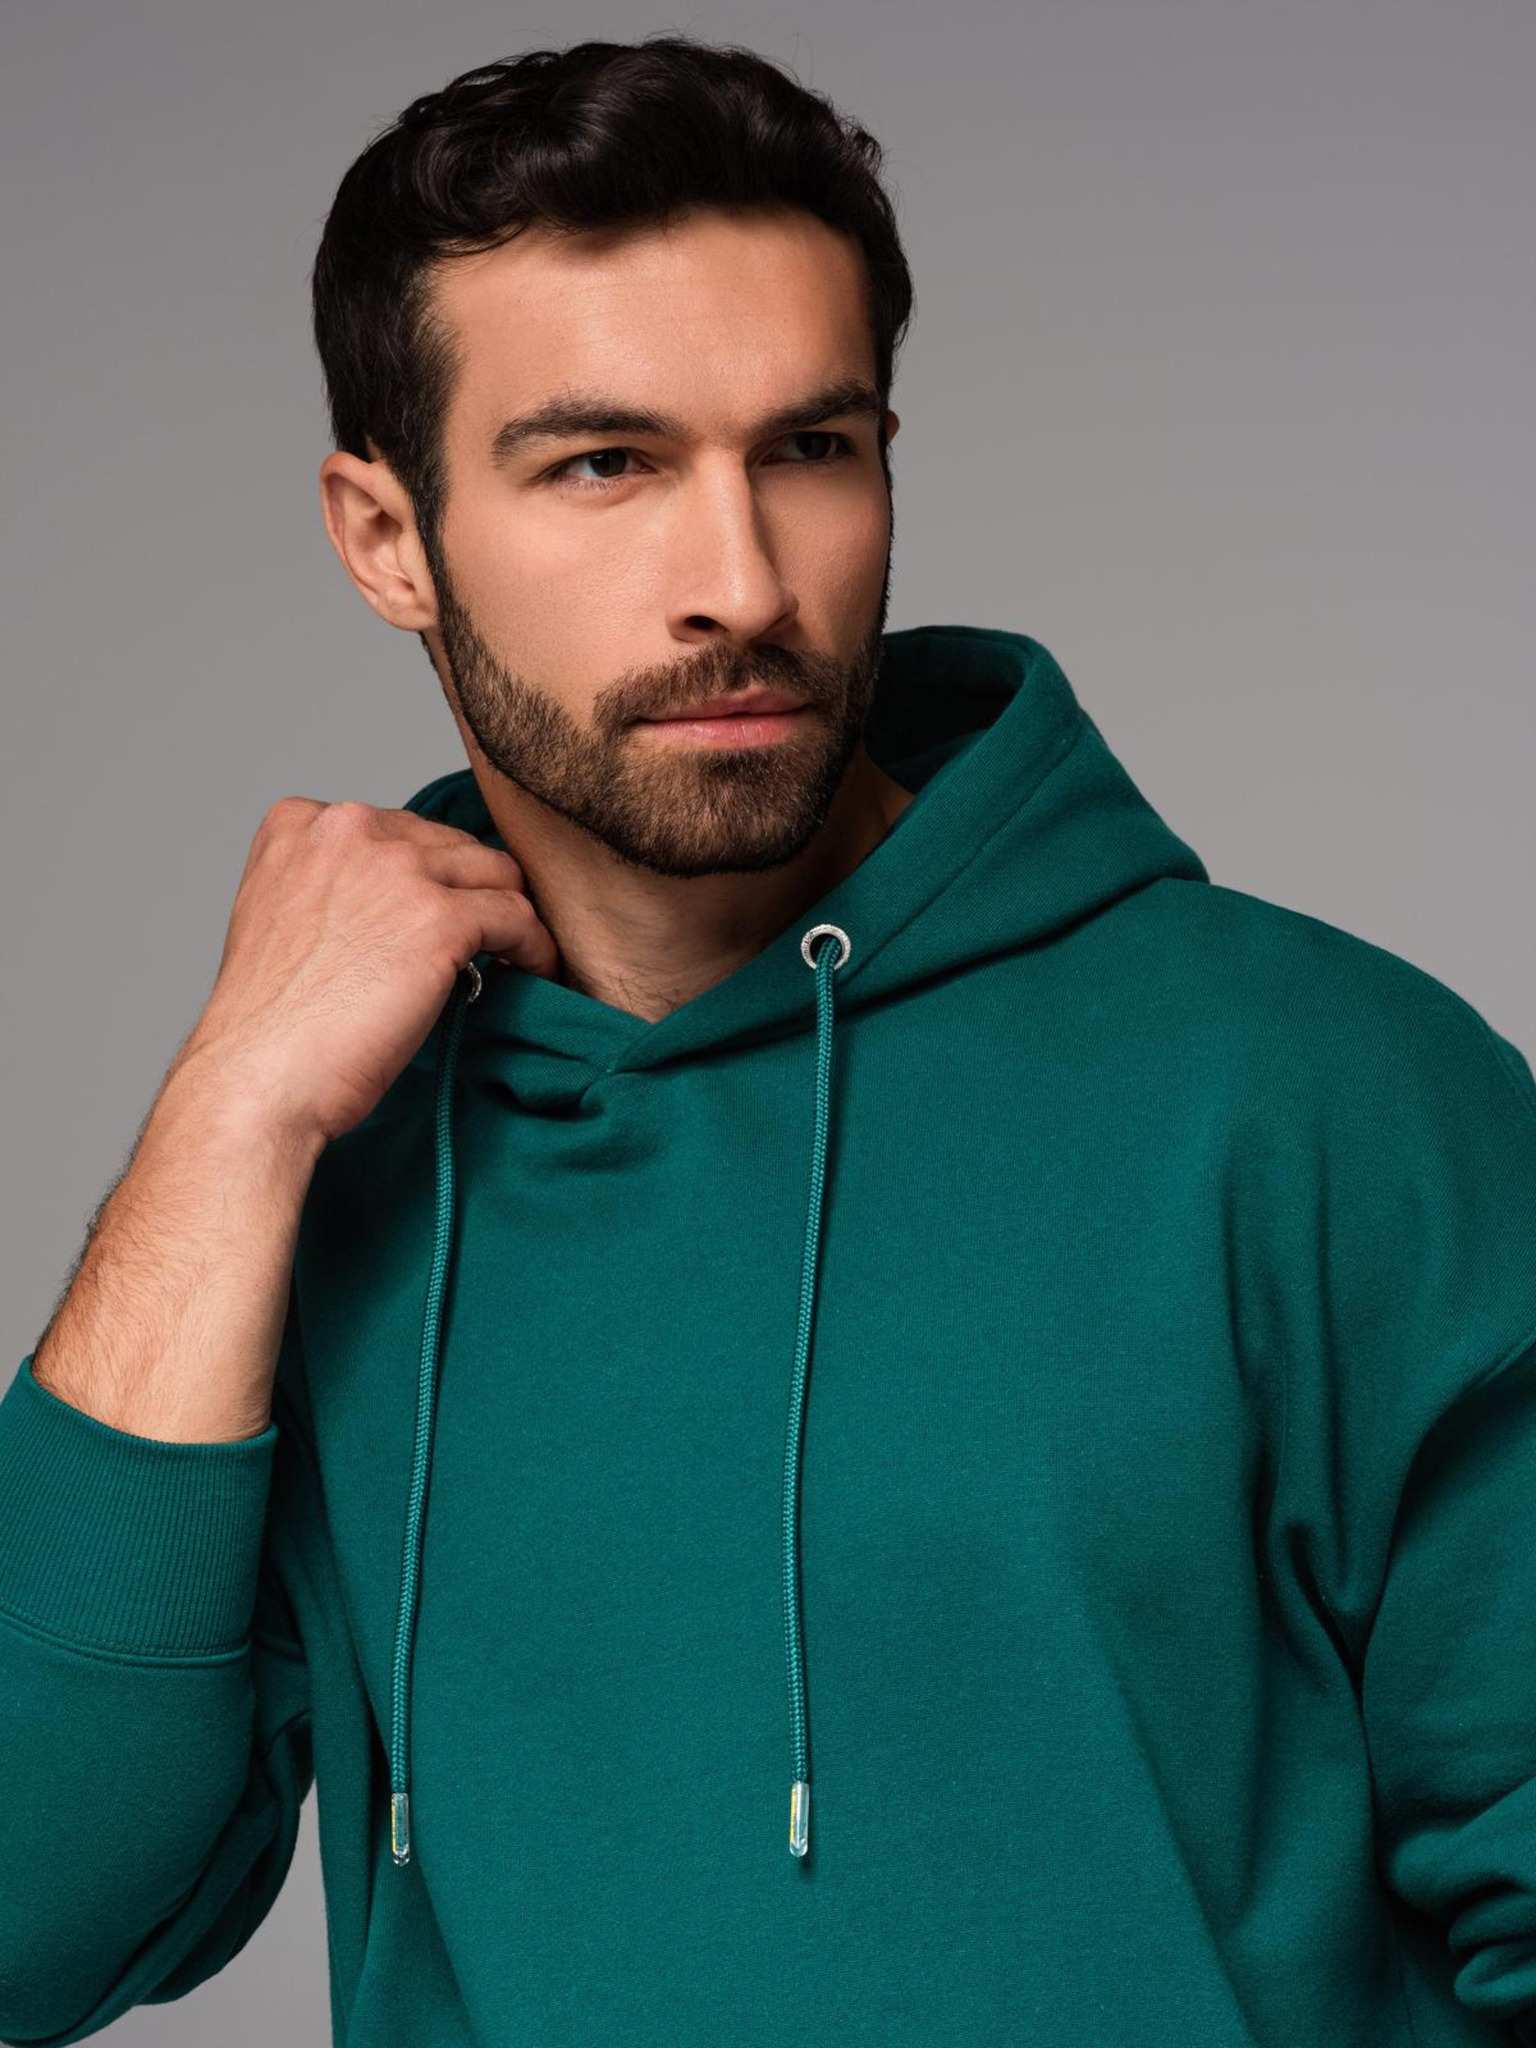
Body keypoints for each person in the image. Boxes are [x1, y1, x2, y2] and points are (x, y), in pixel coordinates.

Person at [1, 32, 1533, 2048]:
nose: (740, 585)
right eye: (604, 464)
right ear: (386, 537)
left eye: (809, 448)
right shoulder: (329, 1170)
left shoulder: (1324, 1095)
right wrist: (226, 1121)